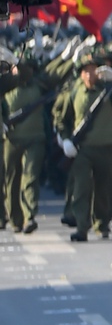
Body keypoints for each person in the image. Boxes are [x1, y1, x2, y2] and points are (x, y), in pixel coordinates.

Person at [54, 52, 112, 242]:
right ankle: (82, 227)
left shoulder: (110, 91)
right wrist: (65, 139)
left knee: (105, 189)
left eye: (94, 71)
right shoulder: (74, 92)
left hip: (108, 147)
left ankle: (102, 223)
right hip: (82, 149)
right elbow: (61, 118)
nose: (90, 75)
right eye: (86, 71)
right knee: (81, 188)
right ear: (81, 74)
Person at [2, 50, 49, 234]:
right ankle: (15, 219)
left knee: (30, 177)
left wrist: (17, 61)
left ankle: (30, 216)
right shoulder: (6, 84)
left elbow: (25, 75)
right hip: (11, 140)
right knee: (11, 180)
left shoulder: (33, 84)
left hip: (34, 139)